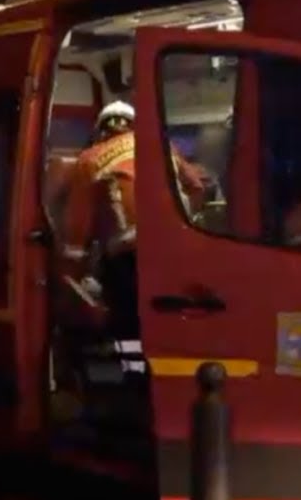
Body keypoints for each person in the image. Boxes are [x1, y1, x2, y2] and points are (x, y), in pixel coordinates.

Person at [58, 100, 204, 335]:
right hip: (173, 244)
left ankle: (130, 355)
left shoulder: (89, 159)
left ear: (102, 130)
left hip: (127, 254)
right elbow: (196, 188)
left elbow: (79, 222)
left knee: (128, 318)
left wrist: (74, 270)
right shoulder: (163, 147)